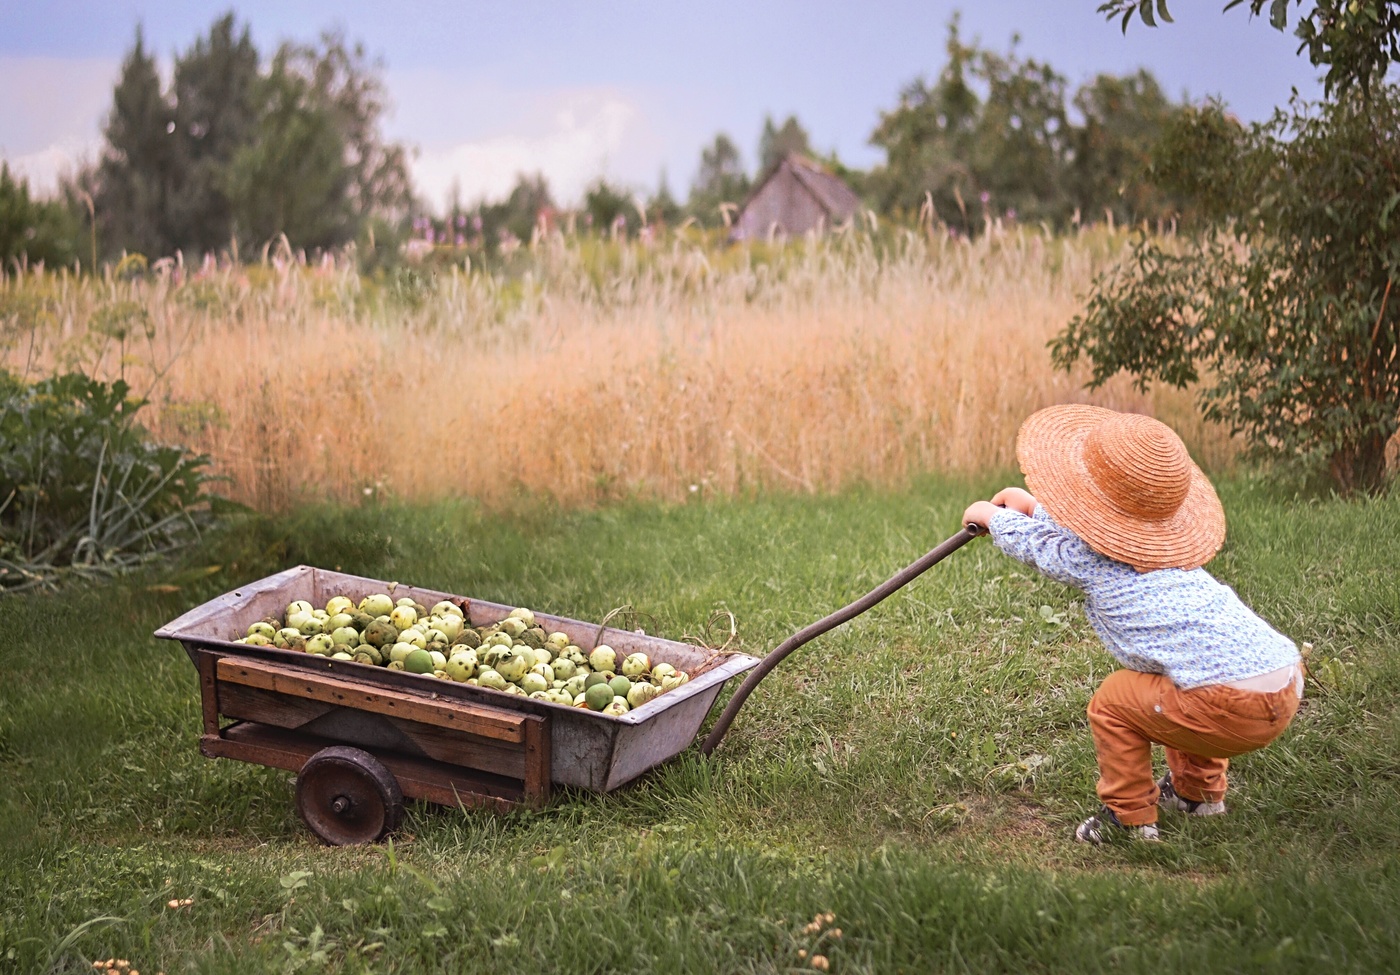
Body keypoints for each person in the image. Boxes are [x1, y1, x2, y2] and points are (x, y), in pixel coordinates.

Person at [961, 405, 1303, 844]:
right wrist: (1031, 506)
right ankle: (1197, 796)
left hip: (1226, 703)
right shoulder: (1171, 555)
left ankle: (1131, 821)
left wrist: (994, 517)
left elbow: (1047, 548)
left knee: (1114, 703)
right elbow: (1086, 531)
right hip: (1283, 681)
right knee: (1177, 678)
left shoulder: (1092, 559)